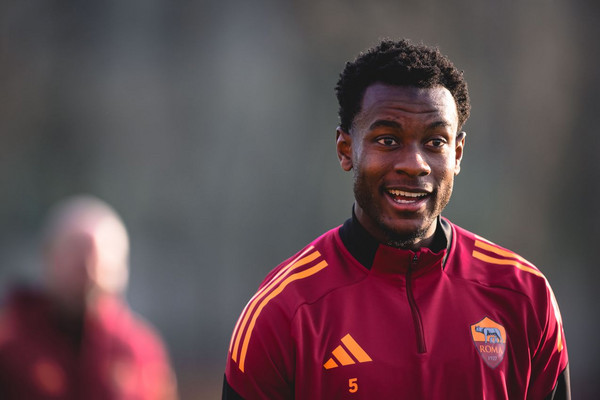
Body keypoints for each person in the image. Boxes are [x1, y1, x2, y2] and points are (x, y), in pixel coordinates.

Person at [222, 39, 570, 399]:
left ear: (457, 154)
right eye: (388, 140)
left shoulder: (524, 295)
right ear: (345, 149)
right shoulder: (283, 310)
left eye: (435, 142)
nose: (414, 164)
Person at [0, 195, 178, 399]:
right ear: (48, 257)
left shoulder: (141, 352)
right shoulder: (10, 343)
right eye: (73, 253)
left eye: (97, 257)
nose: (87, 270)